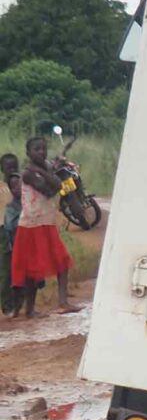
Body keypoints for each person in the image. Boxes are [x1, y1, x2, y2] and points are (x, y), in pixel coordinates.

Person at [12, 136, 77, 317]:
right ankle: (30, 310)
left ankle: (62, 303)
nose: (41, 152)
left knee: (62, 261)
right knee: (33, 270)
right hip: (32, 226)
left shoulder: (41, 168)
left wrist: (48, 171)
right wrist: (49, 173)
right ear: (28, 153)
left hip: (45, 223)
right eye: (37, 149)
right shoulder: (28, 173)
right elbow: (51, 189)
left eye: (43, 148)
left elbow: (56, 184)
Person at [0, 153, 19, 317]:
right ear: (2, 169)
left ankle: (18, 302)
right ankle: (7, 306)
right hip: (3, 232)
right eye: (8, 168)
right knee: (6, 268)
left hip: (19, 230)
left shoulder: (18, 185)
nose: (12, 170)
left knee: (18, 266)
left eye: (15, 167)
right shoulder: (2, 188)